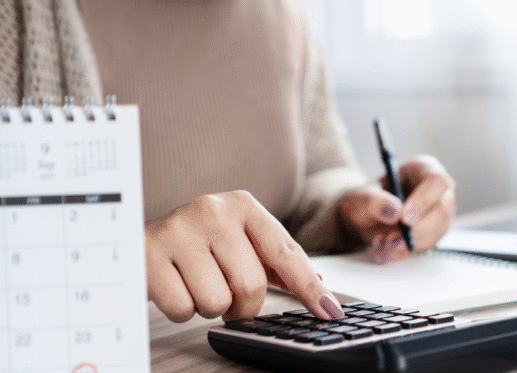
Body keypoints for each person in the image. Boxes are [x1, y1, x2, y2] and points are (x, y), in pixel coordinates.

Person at [0, 0, 456, 323]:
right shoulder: (22, 17)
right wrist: (115, 255)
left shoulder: (288, 13)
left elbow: (320, 166)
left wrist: (351, 207)